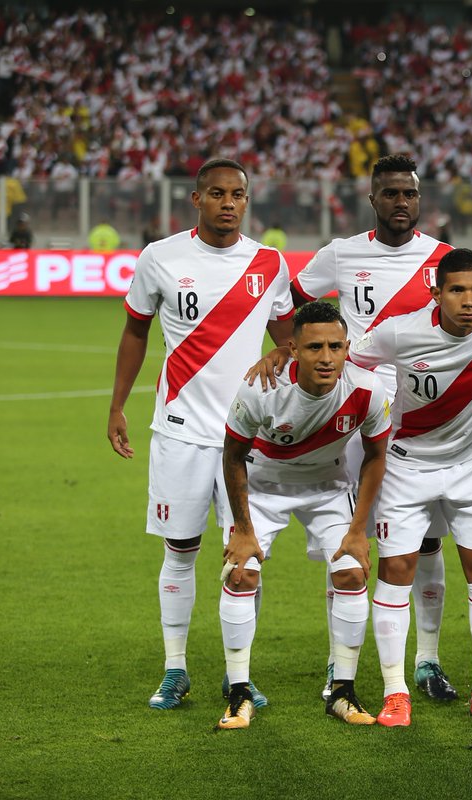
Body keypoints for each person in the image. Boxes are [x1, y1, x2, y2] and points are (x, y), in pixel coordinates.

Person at [107, 158, 294, 710]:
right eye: (217, 193)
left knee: (246, 559)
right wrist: (117, 405)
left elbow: (292, 338)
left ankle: (239, 676)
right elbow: (134, 332)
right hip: (181, 431)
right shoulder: (161, 257)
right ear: (197, 199)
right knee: (181, 550)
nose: (229, 203)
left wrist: (280, 352)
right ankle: (175, 669)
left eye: (238, 193)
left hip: (248, 438)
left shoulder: (268, 262)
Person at [279, 154, 456, 702]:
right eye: (391, 193)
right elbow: (293, 299)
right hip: (354, 424)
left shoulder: (445, 261)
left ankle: (426, 662)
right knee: (348, 543)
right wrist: (292, 352)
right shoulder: (343, 253)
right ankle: (341, 662)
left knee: (425, 546)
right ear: (373, 199)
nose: (401, 201)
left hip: (425, 423)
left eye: (410, 193)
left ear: (419, 200)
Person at [348, 248, 472, 727]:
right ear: (436, 293)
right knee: (397, 572)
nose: (468, 300)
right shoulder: (399, 331)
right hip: (407, 468)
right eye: (457, 290)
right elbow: (351, 362)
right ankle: (395, 693)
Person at [217, 301, 389, 729]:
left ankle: (343, 691)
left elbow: (375, 456)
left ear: (348, 347)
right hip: (261, 485)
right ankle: (239, 693)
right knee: (241, 572)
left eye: (335, 346)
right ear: (293, 349)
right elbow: (233, 455)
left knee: (351, 570)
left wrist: (358, 531)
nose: (326, 357)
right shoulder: (260, 388)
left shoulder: (368, 390)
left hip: (328, 486)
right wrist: (242, 529)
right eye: (314, 347)